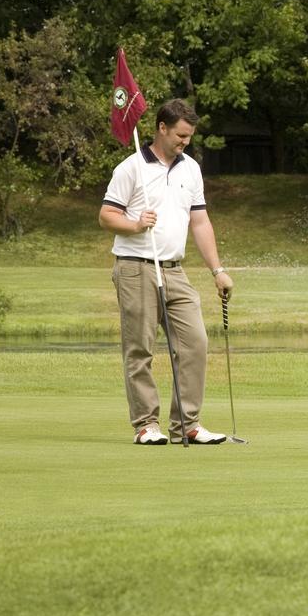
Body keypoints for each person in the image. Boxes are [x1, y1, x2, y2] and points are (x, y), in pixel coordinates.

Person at [99, 99, 234, 445]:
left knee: (195, 343)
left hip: (174, 269)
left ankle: (186, 424)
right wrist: (134, 223)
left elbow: (200, 221)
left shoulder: (190, 168)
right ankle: (146, 425)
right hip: (135, 266)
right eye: (180, 135)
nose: (184, 142)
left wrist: (217, 270)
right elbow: (106, 216)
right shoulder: (131, 167)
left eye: (189, 136)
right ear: (162, 127)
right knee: (140, 348)